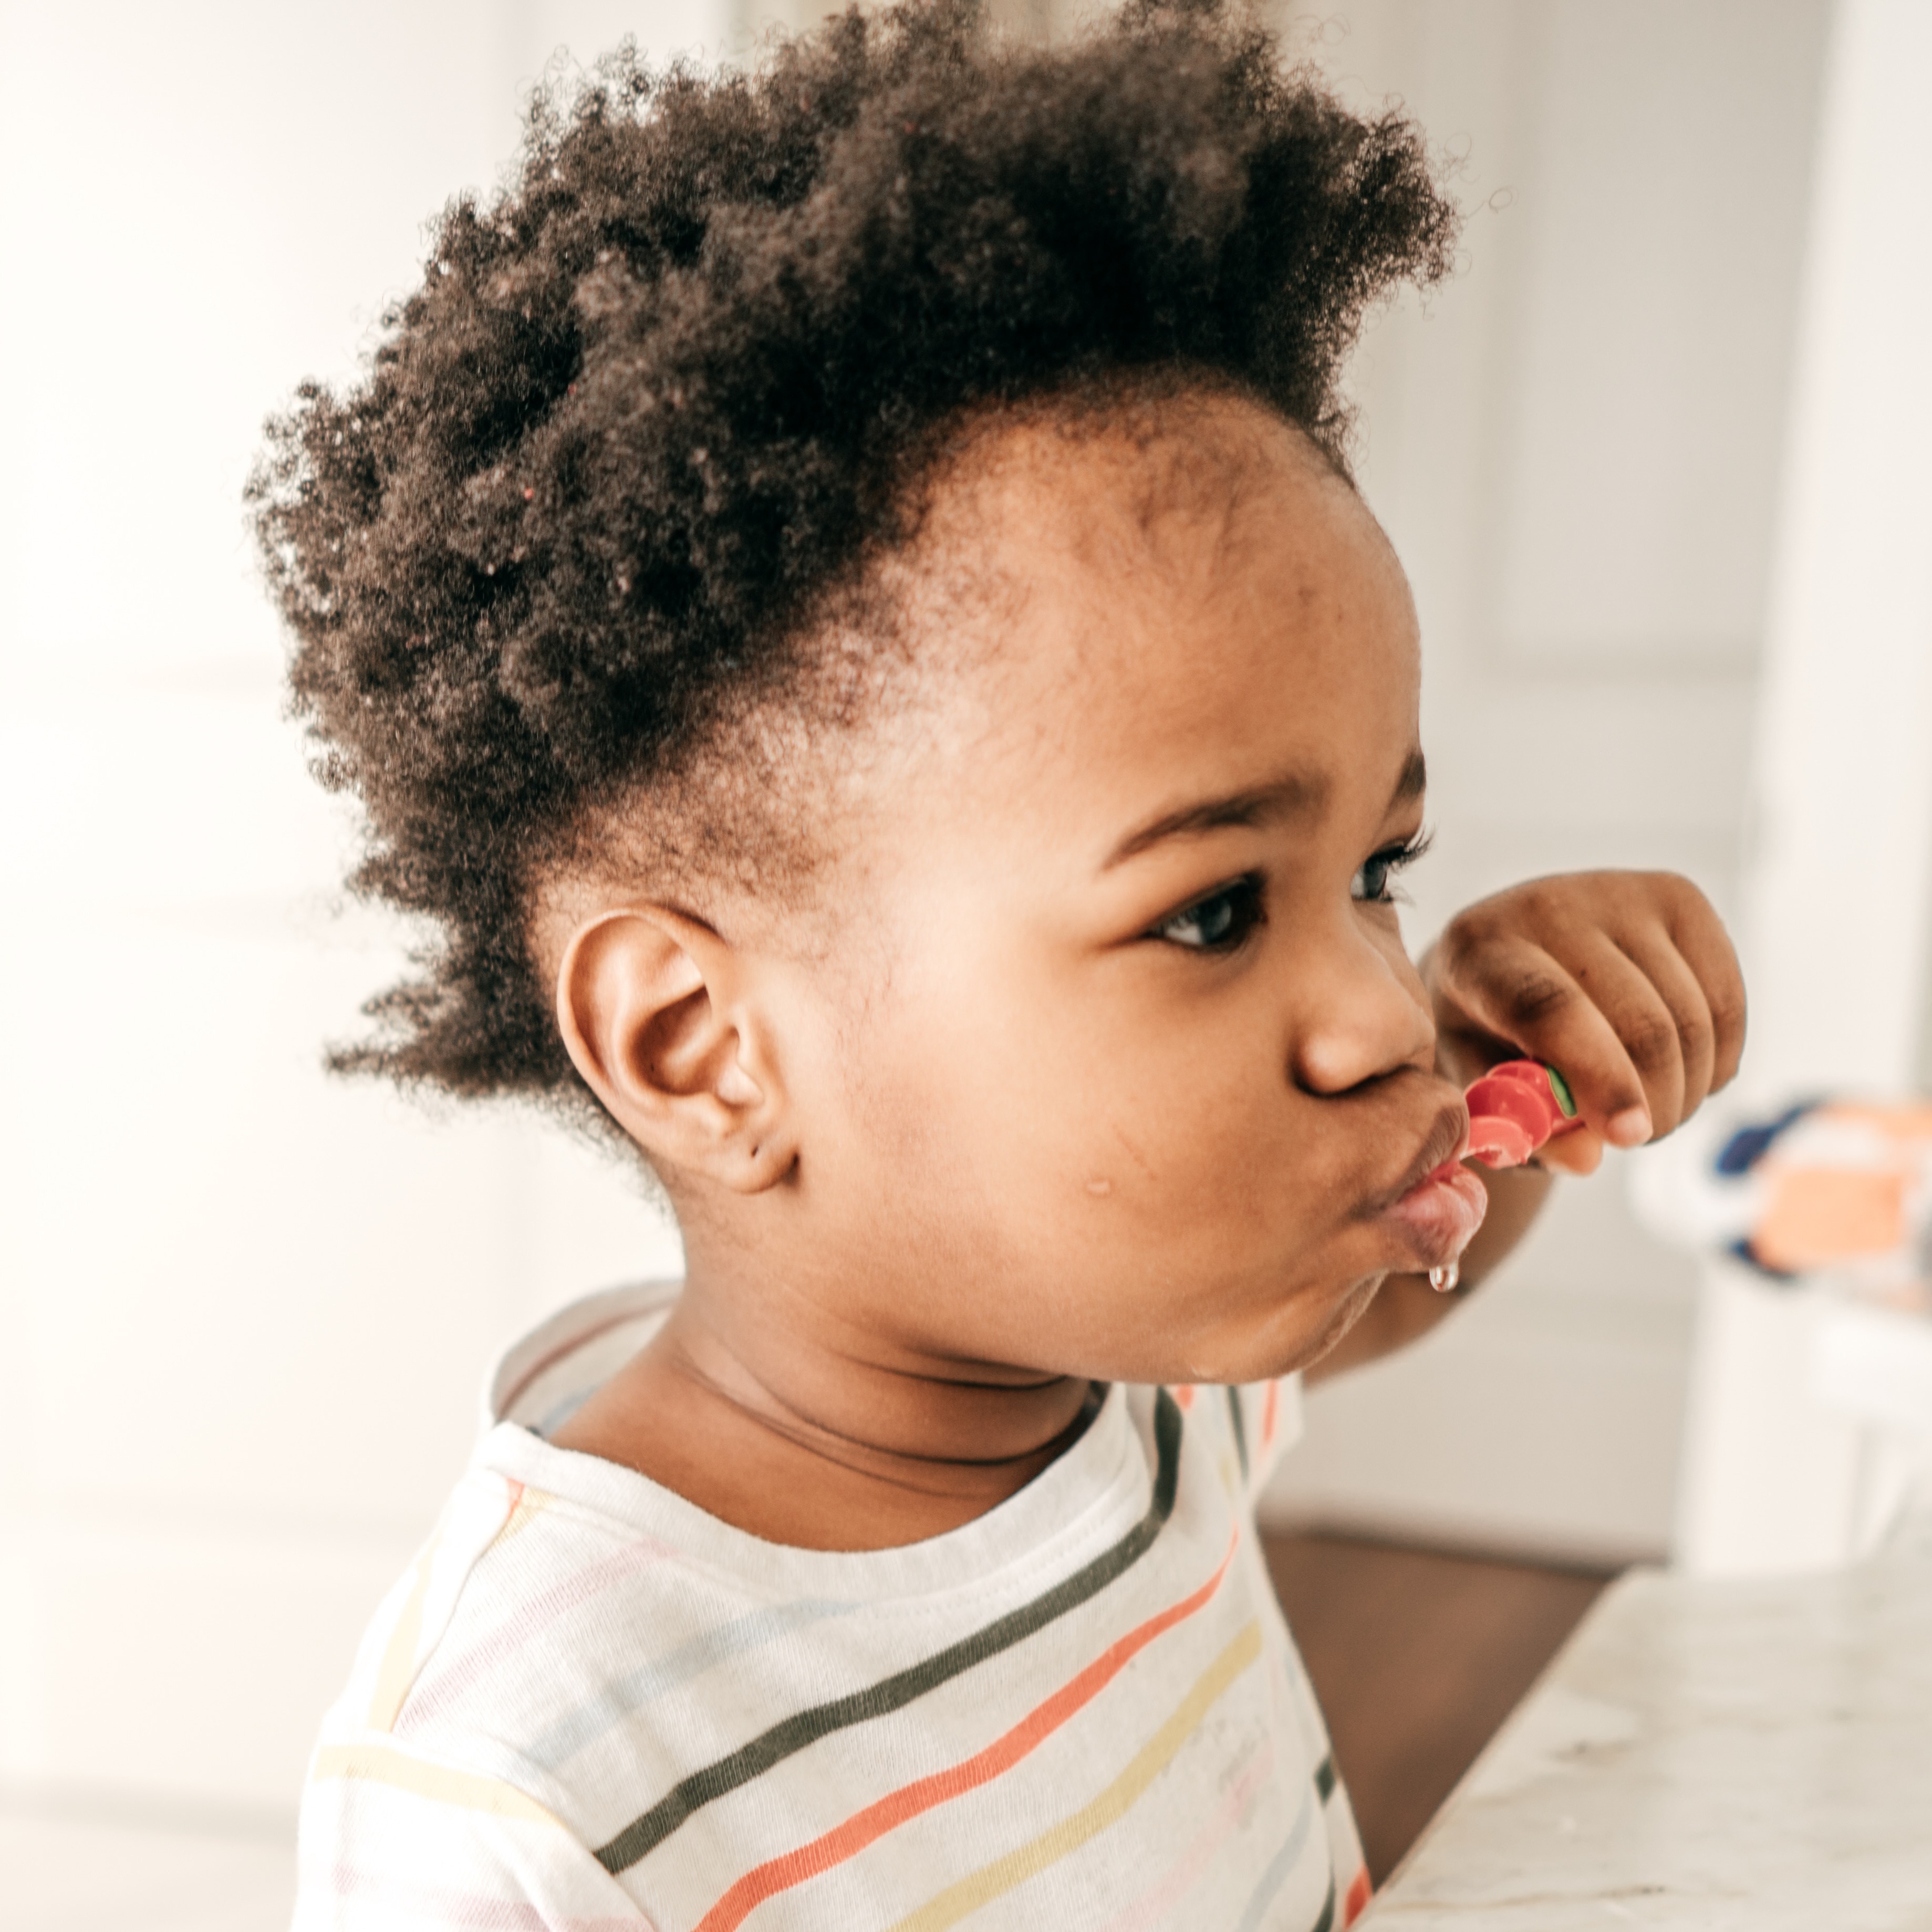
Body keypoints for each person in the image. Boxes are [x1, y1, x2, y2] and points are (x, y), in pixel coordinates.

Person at [255, 3, 1744, 1926]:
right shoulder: (524, 1791)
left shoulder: (1121, 1361)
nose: (1383, 1014)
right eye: (1214, 910)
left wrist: (1521, 1046)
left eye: (1382, 865)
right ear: (707, 1046)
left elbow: (1410, 1279)